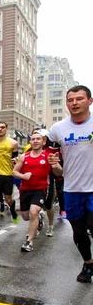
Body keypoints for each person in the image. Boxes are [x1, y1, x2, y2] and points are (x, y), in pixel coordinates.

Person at [48, 85, 93, 283]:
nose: (74, 103)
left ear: (89, 101)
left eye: (79, 99)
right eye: (70, 100)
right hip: (72, 189)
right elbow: (57, 168)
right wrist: (56, 167)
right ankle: (88, 263)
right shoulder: (58, 130)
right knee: (79, 232)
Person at [13, 132, 61, 252]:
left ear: (43, 142)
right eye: (33, 139)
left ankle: (29, 242)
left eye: (38, 139)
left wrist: (55, 166)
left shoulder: (48, 156)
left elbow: (59, 173)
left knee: (33, 212)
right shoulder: (24, 156)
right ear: (30, 142)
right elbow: (14, 172)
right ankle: (39, 217)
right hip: (25, 190)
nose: (35, 141)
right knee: (25, 216)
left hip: (40, 189)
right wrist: (24, 176)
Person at [0, 121, 20, 231]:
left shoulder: (13, 143)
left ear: (6, 129)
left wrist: (15, 161)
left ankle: (14, 212)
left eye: (2, 127)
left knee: (8, 199)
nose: (0, 129)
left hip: (7, 174)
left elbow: (16, 158)